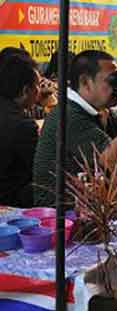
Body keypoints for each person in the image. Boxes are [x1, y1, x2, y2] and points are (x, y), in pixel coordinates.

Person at [33, 50, 117, 207]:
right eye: (113, 81)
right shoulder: (67, 114)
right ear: (85, 82)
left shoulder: (101, 111)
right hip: (60, 213)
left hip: (91, 204)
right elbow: (113, 162)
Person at [0, 54, 41, 207]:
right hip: (10, 205)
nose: (39, 91)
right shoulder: (23, 126)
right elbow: (40, 170)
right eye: (37, 86)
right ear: (25, 91)